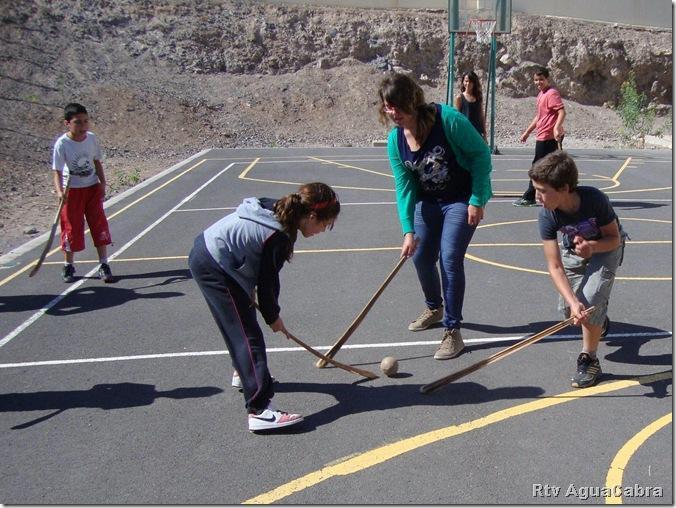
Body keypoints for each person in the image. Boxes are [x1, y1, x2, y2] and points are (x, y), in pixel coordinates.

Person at [188, 182, 340, 432]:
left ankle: (244, 374)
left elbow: (260, 268)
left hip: (213, 255)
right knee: (247, 335)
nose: (323, 230)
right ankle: (259, 410)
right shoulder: (279, 234)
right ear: (312, 216)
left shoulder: (281, 210)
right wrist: (273, 317)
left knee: (241, 324)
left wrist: (268, 311)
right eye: (325, 224)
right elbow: (267, 282)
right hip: (215, 265)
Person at [377, 72, 493, 361]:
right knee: (420, 257)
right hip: (428, 202)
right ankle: (434, 307)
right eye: (388, 107)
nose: (393, 113)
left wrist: (477, 199)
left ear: (412, 101)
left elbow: (481, 154)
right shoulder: (395, 141)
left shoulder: (447, 119)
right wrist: (408, 230)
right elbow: (404, 186)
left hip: (461, 199)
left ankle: (453, 330)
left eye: (397, 106)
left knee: (450, 258)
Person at [529, 151, 626, 388]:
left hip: (605, 247)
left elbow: (614, 239)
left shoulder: (594, 199)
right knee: (570, 311)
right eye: (535, 189)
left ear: (564, 188)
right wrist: (572, 302)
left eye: (542, 191)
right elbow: (554, 265)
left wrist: (592, 247)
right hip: (573, 250)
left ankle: (589, 359)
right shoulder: (547, 215)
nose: (536, 196)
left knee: (589, 300)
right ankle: (598, 319)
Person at [52, 102, 114, 283]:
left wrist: (102, 183)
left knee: (99, 225)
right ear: (67, 123)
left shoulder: (91, 139)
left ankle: (104, 264)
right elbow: (56, 170)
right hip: (72, 191)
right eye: (78, 122)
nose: (83, 126)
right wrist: (59, 191)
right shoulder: (62, 144)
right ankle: (68, 265)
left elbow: (96, 162)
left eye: (86, 121)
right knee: (71, 228)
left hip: (92, 188)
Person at [514, 66, 566, 207]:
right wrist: (527, 132)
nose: (538, 82)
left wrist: (556, 127)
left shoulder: (552, 93)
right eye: (536, 80)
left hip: (549, 137)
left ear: (548, 79)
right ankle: (562, 193)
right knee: (552, 167)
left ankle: (530, 196)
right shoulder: (541, 95)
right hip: (541, 136)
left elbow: (562, 112)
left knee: (537, 168)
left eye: (541, 79)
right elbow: (539, 116)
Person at [454, 71, 487, 141]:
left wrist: (484, 132)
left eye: (470, 81)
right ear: (463, 82)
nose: (468, 83)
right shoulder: (459, 98)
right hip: (465, 133)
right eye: (466, 81)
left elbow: (481, 115)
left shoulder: (478, 97)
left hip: (477, 132)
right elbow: (457, 117)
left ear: (474, 83)